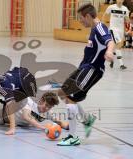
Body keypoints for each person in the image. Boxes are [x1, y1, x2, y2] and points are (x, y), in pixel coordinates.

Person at [45, 3, 114, 146]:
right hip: (83, 68)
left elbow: (110, 41)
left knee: (71, 98)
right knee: (62, 92)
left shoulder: (100, 28)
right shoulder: (93, 29)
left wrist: (109, 51)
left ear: (88, 16)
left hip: (92, 70)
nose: (80, 21)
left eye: (81, 18)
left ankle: (72, 137)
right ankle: (86, 119)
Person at [103, 0, 129, 69]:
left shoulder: (125, 9)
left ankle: (111, 60)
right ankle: (121, 65)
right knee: (118, 44)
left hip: (121, 30)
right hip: (113, 29)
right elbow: (105, 15)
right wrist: (103, 25)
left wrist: (127, 19)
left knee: (117, 46)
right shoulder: (111, 7)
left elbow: (127, 20)